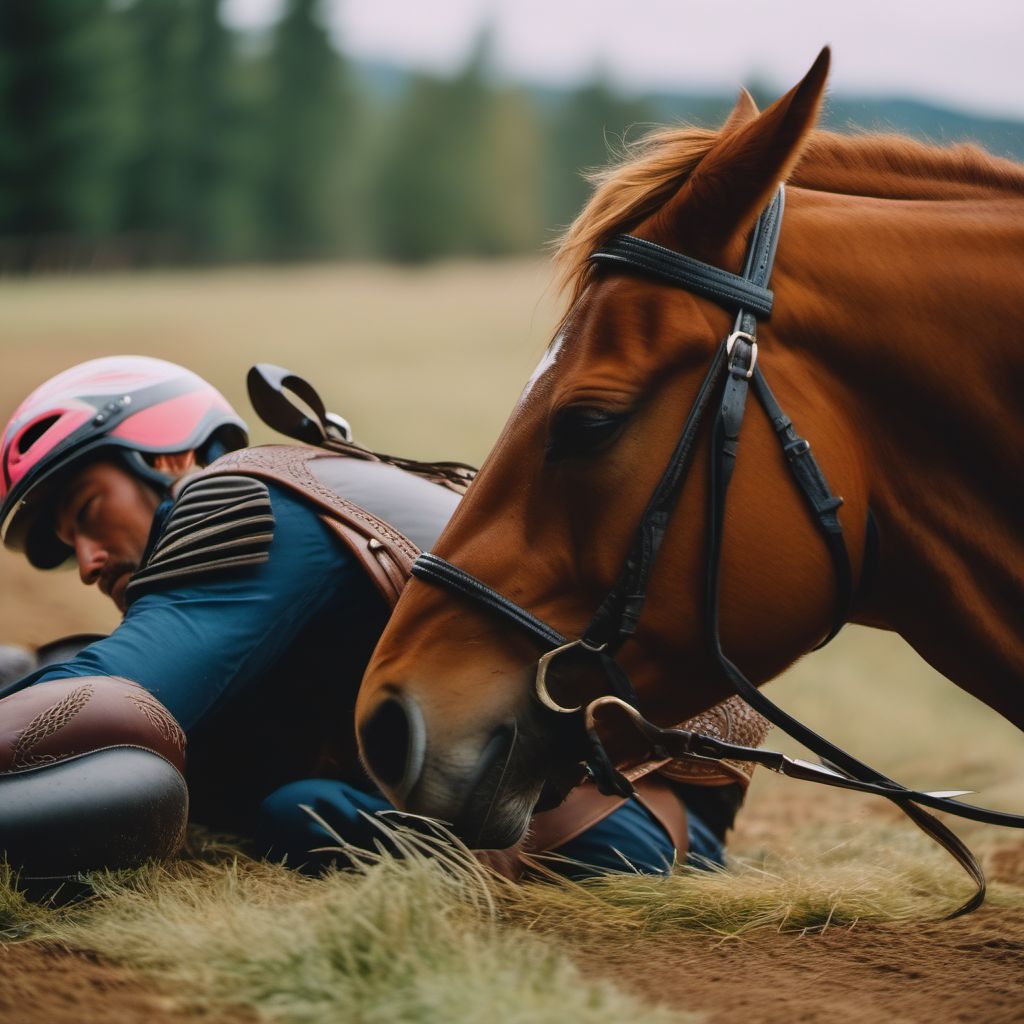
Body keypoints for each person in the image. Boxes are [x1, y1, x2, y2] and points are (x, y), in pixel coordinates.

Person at [0, 356, 750, 882]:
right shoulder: (299, 487)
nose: (89, 561)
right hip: (637, 805)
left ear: (167, 458)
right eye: (71, 549)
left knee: (298, 811)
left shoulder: (237, 496)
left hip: (612, 823)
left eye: (87, 515)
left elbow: (124, 692)